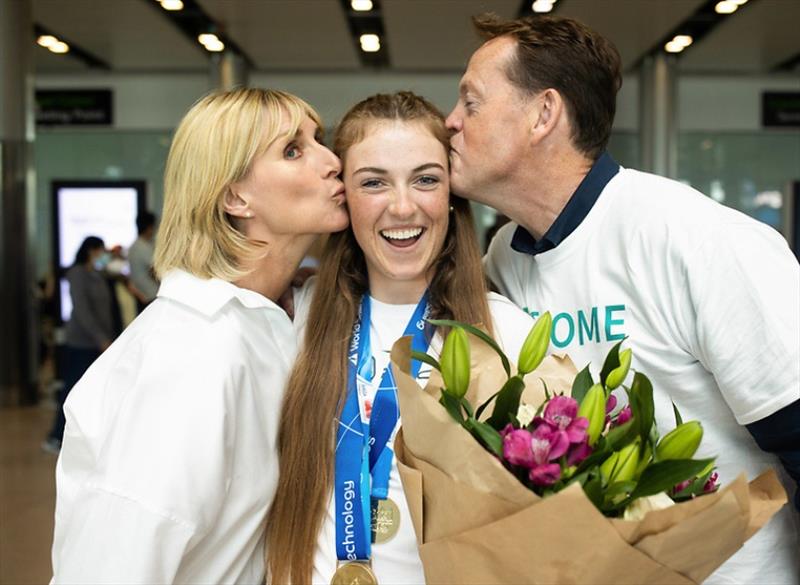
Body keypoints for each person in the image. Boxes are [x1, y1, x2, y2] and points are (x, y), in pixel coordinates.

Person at [446, 13, 800, 584]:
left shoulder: (692, 238)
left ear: (543, 115)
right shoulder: (503, 260)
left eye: (471, 103)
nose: (451, 122)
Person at [50, 88, 348, 583]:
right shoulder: (192, 351)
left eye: (319, 140)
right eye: (293, 150)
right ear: (235, 197)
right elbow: (113, 563)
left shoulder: (269, 318)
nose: (332, 161)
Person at [265, 91, 537, 585]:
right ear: (342, 194)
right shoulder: (297, 320)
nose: (403, 207)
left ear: (452, 194)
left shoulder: (505, 335)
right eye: (374, 182)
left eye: (426, 180)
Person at [42, 236, 114, 454]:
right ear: (92, 250)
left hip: (99, 343)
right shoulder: (77, 274)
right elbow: (83, 312)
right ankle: (56, 436)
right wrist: (100, 338)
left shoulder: (97, 274)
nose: (104, 255)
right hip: (82, 343)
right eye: (101, 250)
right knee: (71, 389)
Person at [128, 210, 159, 313]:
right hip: (149, 296)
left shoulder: (135, 246)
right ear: (149, 227)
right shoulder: (142, 248)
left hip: (143, 295)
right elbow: (155, 272)